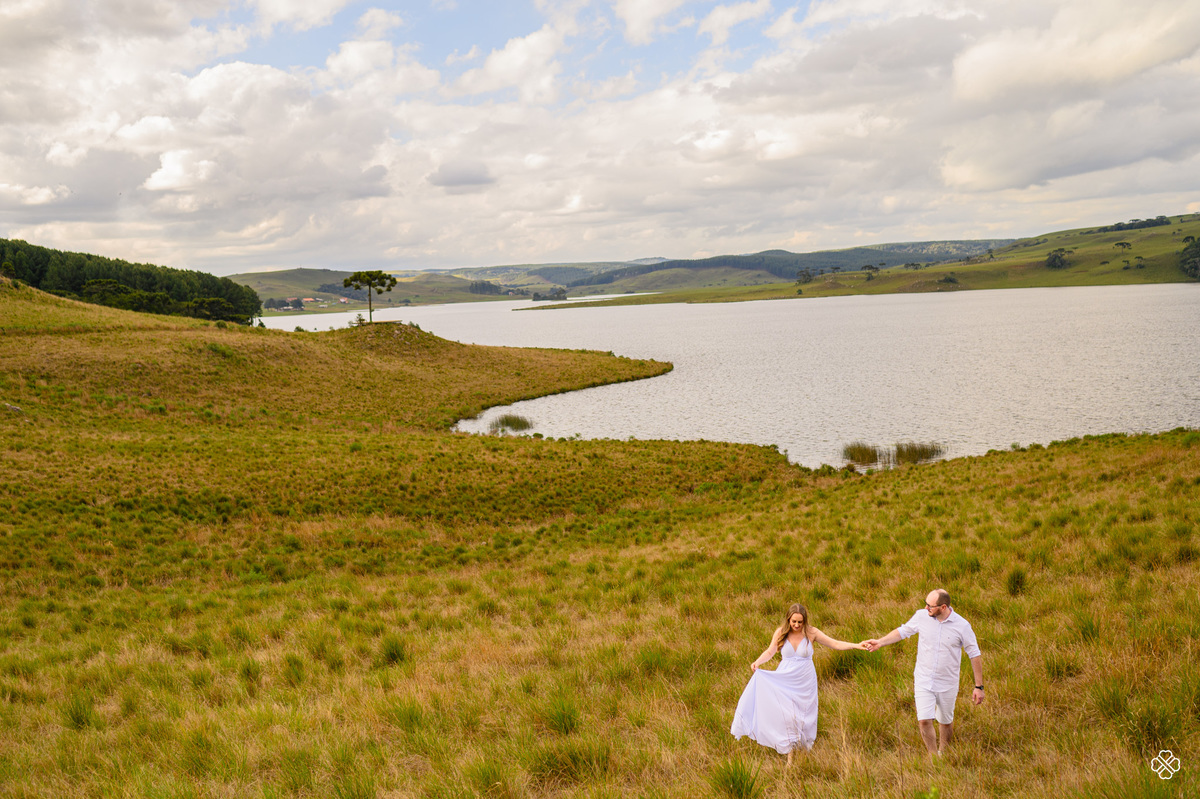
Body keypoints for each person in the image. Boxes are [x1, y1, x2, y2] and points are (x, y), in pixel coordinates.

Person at [731, 603, 868, 763]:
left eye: (800, 622)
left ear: (805, 621)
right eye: (793, 621)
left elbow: (835, 644)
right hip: (785, 678)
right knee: (788, 715)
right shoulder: (781, 632)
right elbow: (770, 651)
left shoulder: (811, 633)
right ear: (788, 619)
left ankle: (800, 749)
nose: (796, 625)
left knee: (803, 715)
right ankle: (790, 755)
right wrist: (758, 662)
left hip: (805, 680)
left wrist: (856, 645)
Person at [864, 588, 984, 756]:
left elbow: (974, 654)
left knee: (945, 722)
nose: (926, 608)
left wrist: (979, 686)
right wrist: (880, 642)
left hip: (947, 683)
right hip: (923, 680)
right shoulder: (921, 616)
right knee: (924, 721)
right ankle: (933, 756)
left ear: (943, 607)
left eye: (930, 606)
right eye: (926, 604)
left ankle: (944, 752)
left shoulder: (962, 626)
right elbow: (903, 631)